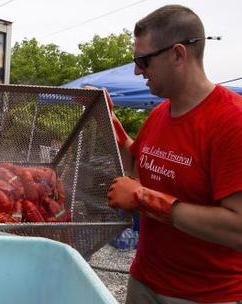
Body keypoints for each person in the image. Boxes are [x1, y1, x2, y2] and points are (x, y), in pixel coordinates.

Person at [106, 5, 242, 304]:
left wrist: (144, 199)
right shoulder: (159, 114)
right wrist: (106, 120)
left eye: (143, 60)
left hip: (204, 296)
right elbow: (136, 165)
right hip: (144, 279)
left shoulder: (232, 122)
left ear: (178, 54)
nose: (137, 70)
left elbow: (238, 230)